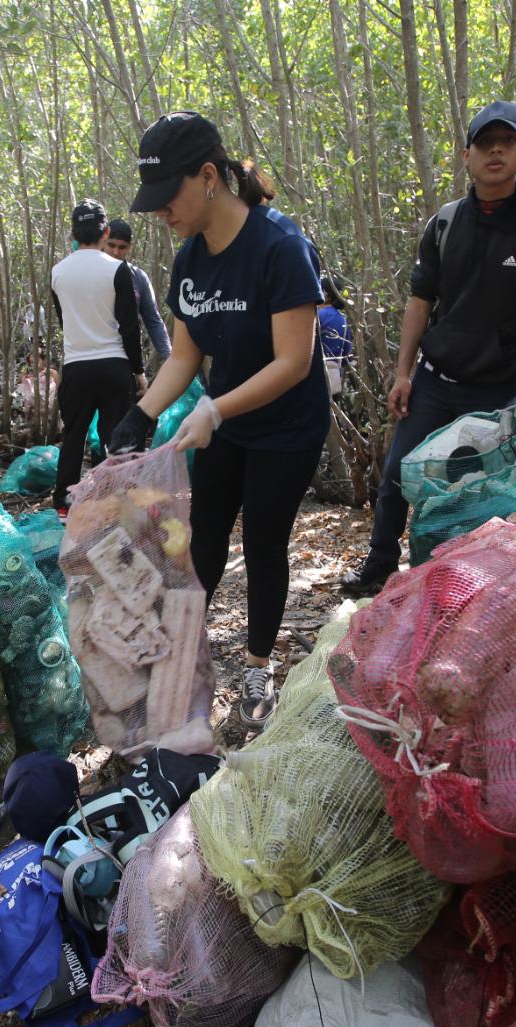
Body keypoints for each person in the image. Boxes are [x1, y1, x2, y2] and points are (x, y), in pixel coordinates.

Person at [107, 111, 328, 724]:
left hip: (286, 428)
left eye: (167, 196)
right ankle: (182, 658)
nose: (160, 212)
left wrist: (215, 408)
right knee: (202, 536)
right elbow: (184, 355)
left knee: (263, 544)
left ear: (208, 177)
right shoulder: (190, 261)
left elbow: (293, 361)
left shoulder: (280, 247)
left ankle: (258, 668)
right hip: (223, 422)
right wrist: (142, 412)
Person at [339, 100, 516, 596]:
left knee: (479, 490)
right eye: (485, 143)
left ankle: (466, 583)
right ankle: (380, 565)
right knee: (400, 473)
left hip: (501, 387)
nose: (495, 152)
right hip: (435, 379)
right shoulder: (444, 223)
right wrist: (403, 373)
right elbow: (420, 300)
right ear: (466, 155)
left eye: (507, 142)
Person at [49, 198, 147, 515]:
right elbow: (130, 326)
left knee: (74, 436)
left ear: (73, 234)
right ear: (105, 233)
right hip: (114, 365)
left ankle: (64, 505)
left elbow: (65, 320)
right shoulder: (117, 270)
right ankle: (117, 504)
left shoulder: (58, 272)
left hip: (76, 366)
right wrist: (138, 371)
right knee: (114, 438)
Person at [103, 218, 171, 368]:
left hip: (127, 358)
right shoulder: (90, 273)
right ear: (103, 241)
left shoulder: (138, 277)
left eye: (122, 247)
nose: (115, 252)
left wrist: (170, 357)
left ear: (130, 247)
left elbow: (154, 321)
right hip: (95, 356)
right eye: (111, 245)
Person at [317, 274, 352, 396]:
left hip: (315, 376)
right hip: (334, 380)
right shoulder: (343, 319)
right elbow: (347, 354)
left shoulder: (317, 315)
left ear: (326, 294)